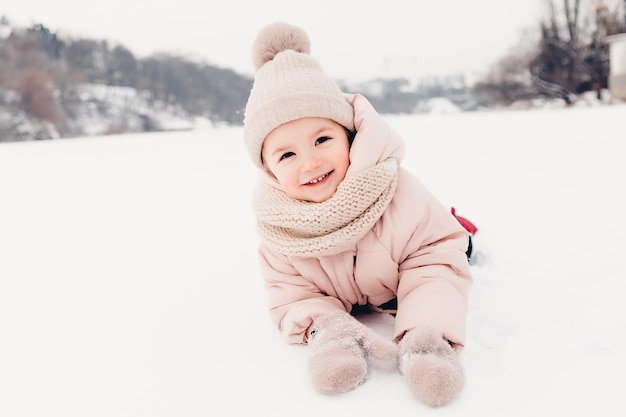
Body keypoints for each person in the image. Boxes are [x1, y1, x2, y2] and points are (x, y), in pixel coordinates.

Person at [243, 22, 473, 407]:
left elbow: (435, 260)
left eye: (322, 139)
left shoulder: (397, 192)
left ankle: (426, 345)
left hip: (408, 272)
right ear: (269, 170)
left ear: (349, 136)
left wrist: (426, 327)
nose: (310, 161)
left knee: (453, 249)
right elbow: (292, 295)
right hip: (347, 300)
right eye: (287, 154)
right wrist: (327, 327)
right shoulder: (279, 230)